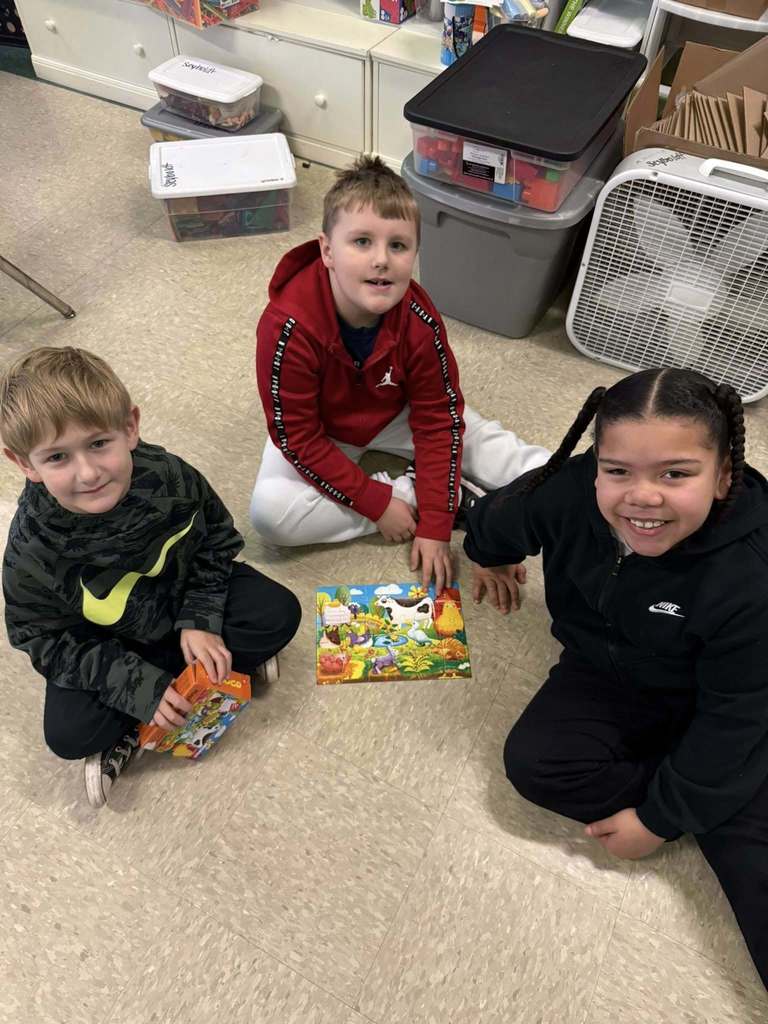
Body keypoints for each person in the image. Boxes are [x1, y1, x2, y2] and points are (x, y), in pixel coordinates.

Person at [464, 366, 768, 988]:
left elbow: (738, 713)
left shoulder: (750, 573)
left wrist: (659, 818)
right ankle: (708, 786)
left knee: (745, 843)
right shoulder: (571, 491)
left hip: (728, 692)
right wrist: (490, 555)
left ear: (723, 477)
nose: (643, 497)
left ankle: (713, 790)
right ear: (595, 465)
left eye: (675, 474)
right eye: (618, 470)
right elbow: (500, 517)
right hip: (607, 670)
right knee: (534, 763)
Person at [1, 347, 301, 808]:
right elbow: (40, 637)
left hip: (181, 604)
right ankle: (183, 682)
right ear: (25, 464)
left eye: (98, 443)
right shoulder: (30, 548)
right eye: (58, 457)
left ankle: (195, 666)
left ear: (130, 427)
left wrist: (200, 617)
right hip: (109, 645)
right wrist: (133, 683)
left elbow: (217, 540)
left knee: (279, 613)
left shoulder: (170, 476)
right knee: (69, 734)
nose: (88, 472)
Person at [250, 155, 549, 593]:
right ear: (327, 251)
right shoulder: (285, 327)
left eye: (398, 245)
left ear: (414, 254)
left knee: (517, 460)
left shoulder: (420, 318)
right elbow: (297, 437)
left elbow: (438, 421)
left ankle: (581, 483)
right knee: (269, 516)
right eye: (362, 242)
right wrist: (381, 504)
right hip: (323, 431)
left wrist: (435, 527)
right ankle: (422, 491)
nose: (381, 260)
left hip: (396, 411)